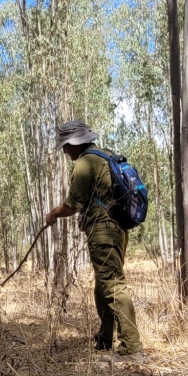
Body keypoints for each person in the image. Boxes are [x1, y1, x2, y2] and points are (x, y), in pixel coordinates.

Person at [44, 120, 144, 360]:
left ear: (76, 143)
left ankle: (132, 348)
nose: (65, 151)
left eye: (66, 146)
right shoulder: (106, 155)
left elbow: (73, 204)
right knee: (103, 284)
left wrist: (53, 214)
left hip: (103, 230)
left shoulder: (84, 163)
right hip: (118, 229)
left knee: (113, 285)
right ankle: (104, 339)